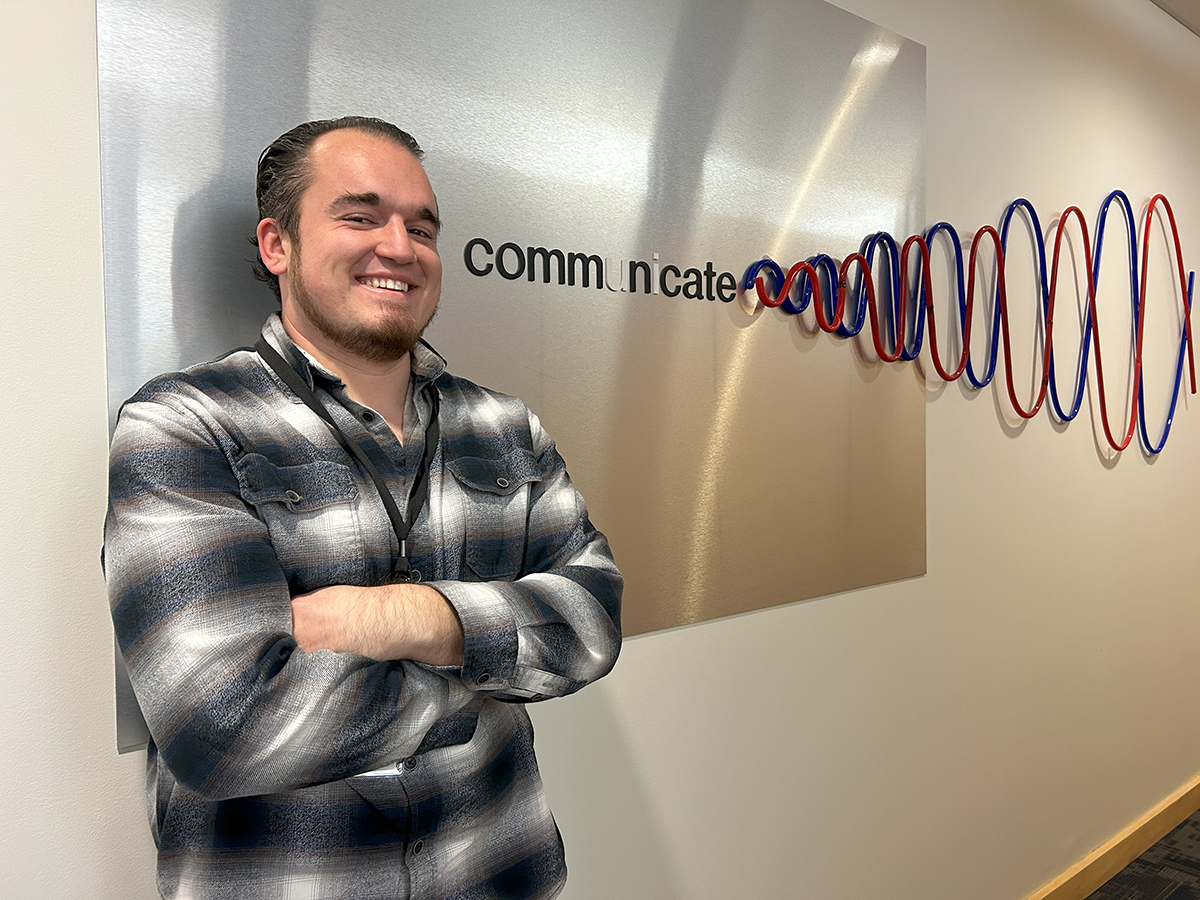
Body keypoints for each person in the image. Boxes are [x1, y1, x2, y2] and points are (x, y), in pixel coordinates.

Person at [105, 116, 623, 900]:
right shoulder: (185, 424)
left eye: (422, 226)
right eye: (360, 215)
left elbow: (593, 620)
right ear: (277, 244)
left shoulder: (505, 427)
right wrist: (490, 669)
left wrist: (398, 619)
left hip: (502, 873)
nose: (399, 246)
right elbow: (223, 727)